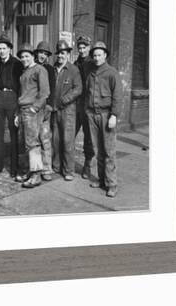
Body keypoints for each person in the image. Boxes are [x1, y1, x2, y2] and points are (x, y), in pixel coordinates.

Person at [85, 41, 122, 197]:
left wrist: (114, 115)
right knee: (97, 149)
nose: (97, 57)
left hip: (107, 115)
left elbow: (118, 96)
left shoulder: (112, 73)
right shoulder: (91, 72)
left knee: (109, 151)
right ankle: (101, 180)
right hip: (92, 114)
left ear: (105, 55)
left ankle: (111, 184)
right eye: (94, 55)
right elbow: (87, 92)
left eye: (99, 55)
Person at [14, 43, 50, 188]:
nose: (24, 59)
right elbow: (22, 94)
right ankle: (28, 172)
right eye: (22, 57)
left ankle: (36, 175)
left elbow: (45, 92)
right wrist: (17, 113)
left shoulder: (40, 70)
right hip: (22, 110)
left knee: (33, 143)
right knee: (24, 143)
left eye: (27, 56)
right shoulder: (24, 73)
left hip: (32, 110)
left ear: (32, 56)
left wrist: (35, 108)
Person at [0, 33, 23, 178]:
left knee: (13, 133)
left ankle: (14, 168)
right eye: (0, 48)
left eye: (4, 48)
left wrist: (18, 105)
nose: (1, 51)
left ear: (10, 49)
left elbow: (21, 85)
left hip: (12, 97)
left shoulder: (17, 64)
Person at [50, 40, 82, 181]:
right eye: (58, 53)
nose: (60, 56)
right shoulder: (54, 68)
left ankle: (69, 170)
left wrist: (66, 99)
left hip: (68, 110)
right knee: (56, 140)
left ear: (68, 54)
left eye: (63, 53)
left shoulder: (73, 70)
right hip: (55, 110)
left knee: (68, 141)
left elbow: (78, 89)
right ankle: (57, 167)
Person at [74, 35, 95, 179]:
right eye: (80, 48)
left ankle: (87, 164)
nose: (81, 50)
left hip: (88, 105)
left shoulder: (94, 63)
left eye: (84, 47)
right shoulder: (75, 64)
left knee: (89, 137)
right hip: (76, 105)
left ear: (89, 48)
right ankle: (67, 162)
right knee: (70, 134)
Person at [34, 41, 55, 181]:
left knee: (45, 138)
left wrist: (49, 106)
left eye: (45, 54)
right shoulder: (31, 66)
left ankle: (47, 168)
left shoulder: (49, 69)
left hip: (44, 108)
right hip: (32, 108)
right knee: (32, 140)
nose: (43, 56)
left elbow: (52, 89)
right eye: (41, 52)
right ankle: (34, 168)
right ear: (36, 53)